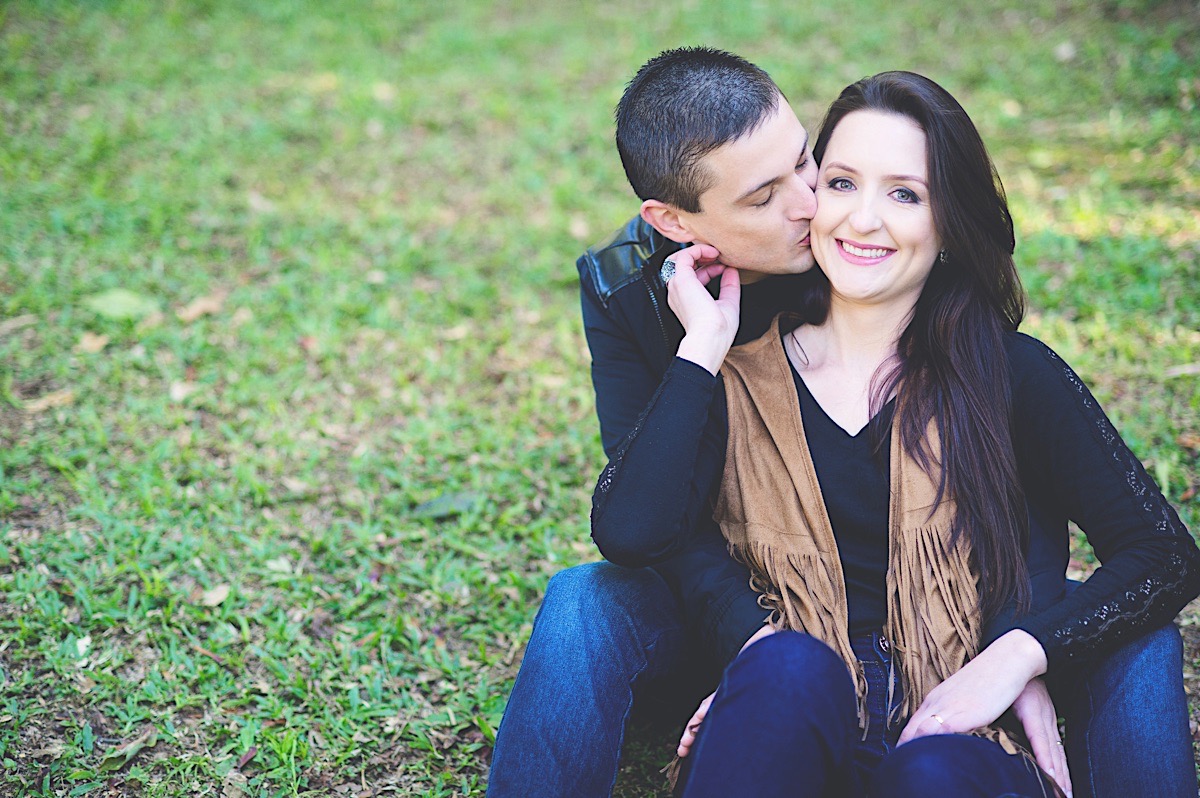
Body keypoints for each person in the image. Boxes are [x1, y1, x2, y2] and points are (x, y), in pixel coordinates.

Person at [487, 48, 1195, 798]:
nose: (823, 208)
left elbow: (1123, 539)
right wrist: (753, 650)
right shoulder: (698, 342)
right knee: (623, 612)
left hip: (948, 691)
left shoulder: (997, 362)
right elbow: (646, 530)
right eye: (836, 184)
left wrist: (1021, 648)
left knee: (1090, 667)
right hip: (772, 648)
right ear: (676, 223)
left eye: (809, 166)